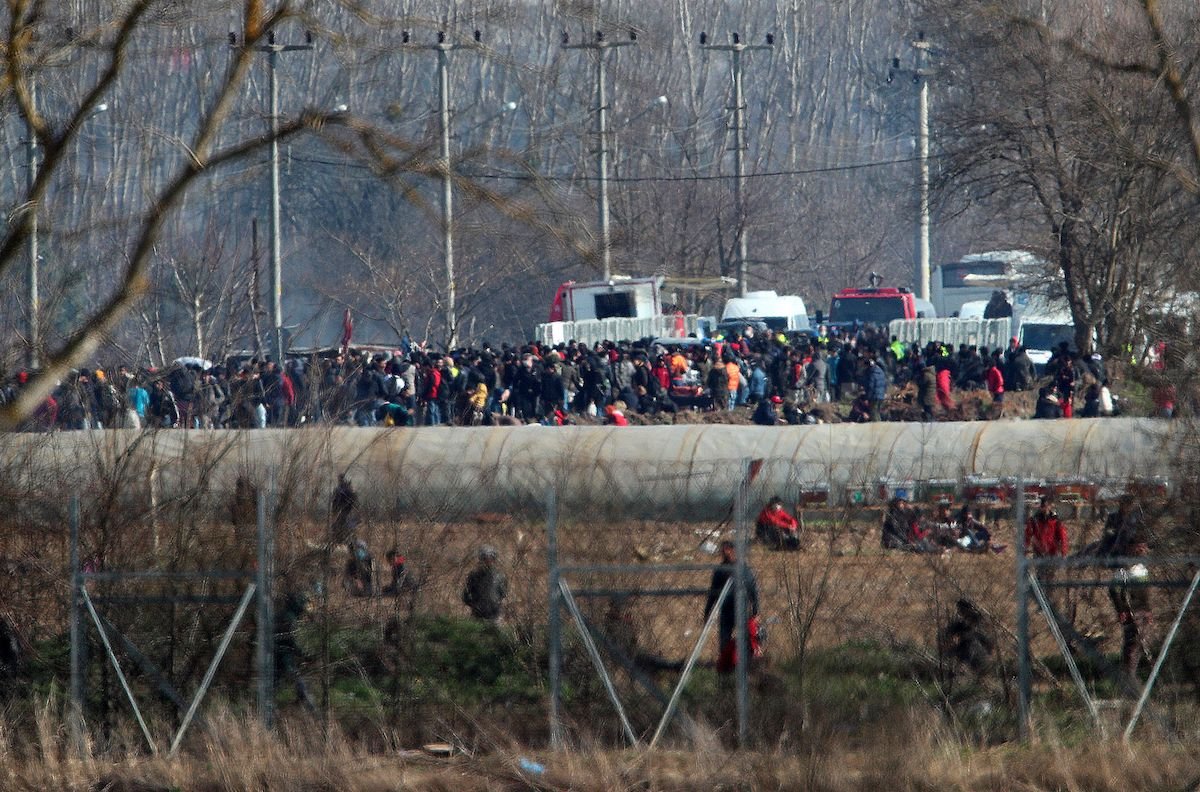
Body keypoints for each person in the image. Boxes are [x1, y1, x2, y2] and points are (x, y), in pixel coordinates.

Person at [704, 540, 760, 674]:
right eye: (723, 551)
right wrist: (707, 611)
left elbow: (753, 589)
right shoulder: (720, 571)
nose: (725, 553)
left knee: (746, 642)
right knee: (724, 643)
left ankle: (745, 669)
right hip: (726, 612)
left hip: (741, 611)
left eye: (727, 550)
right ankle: (726, 670)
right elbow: (713, 593)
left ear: (733, 551)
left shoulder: (744, 569)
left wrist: (756, 611)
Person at [1109, 536, 1152, 679]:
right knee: (1132, 642)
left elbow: (1145, 593)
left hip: (1143, 611)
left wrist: (1148, 610)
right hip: (1130, 611)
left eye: (1144, 547)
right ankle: (1128, 675)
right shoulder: (1123, 570)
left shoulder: (1142, 569)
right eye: (1139, 547)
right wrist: (1121, 610)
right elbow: (1114, 591)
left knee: (1142, 642)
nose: (1142, 550)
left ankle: (1134, 673)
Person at [942, 598, 994, 687]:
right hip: (966, 650)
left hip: (978, 651)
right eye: (960, 610)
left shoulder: (979, 621)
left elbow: (987, 639)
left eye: (962, 610)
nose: (960, 612)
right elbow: (947, 635)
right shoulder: (959, 623)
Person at [463, 545, 508, 622]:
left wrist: (495, 604)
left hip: (495, 615)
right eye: (485, 559)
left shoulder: (500, 576)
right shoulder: (474, 576)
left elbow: (503, 594)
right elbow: (466, 595)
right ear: (480, 560)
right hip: (477, 616)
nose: (488, 562)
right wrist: (475, 606)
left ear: (494, 560)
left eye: (490, 559)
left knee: (495, 633)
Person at [330, 474, 359, 545]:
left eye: (340, 479)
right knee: (342, 526)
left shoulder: (341, 489)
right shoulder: (344, 489)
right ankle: (342, 541)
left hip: (346, 510)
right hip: (346, 510)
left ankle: (344, 541)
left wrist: (335, 510)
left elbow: (336, 500)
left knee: (343, 526)